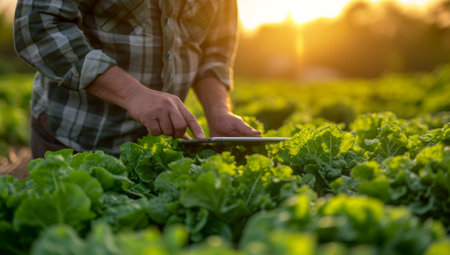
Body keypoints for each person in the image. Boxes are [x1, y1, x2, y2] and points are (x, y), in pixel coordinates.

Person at [14, 0, 261, 159]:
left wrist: (218, 112)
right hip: (76, 135)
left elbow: (215, 49)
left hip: (157, 148)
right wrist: (133, 94)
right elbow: (37, 24)